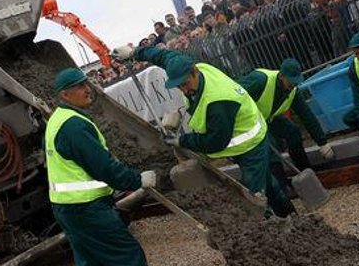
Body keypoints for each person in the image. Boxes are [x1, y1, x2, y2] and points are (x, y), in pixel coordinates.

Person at [45, 68, 170, 266]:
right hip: (87, 210)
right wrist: (137, 180)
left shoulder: (60, 119)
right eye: (79, 87)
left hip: (69, 210)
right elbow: (102, 167)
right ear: (65, 95)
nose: (87, 89)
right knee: (129, 259)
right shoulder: (74, 126)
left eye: (86, 84)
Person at [114, 46, 296, 218]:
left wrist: (183, 141)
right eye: (179, 86)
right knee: (269, 185)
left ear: (195, 71)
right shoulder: (182, 65)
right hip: (239, 137)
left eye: (186, 84)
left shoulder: (218, 102)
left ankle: (269, 231)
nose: (185, 90)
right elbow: (161, 56)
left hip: (250, 145)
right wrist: (134, 53)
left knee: (254, 196)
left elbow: (215, 142)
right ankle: (291, 216)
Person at [237, 58, 335, 173]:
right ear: (281, 76)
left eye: (296, 82)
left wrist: (322, 143)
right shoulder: (261, 80)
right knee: (271, 147)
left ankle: (306, 172)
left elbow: (307, 116)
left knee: (292, 132)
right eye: (290, 81)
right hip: (248, 120)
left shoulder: (293, 91)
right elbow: (235, 94)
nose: (293, 85)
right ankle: (281, 185)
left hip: (267, 118)